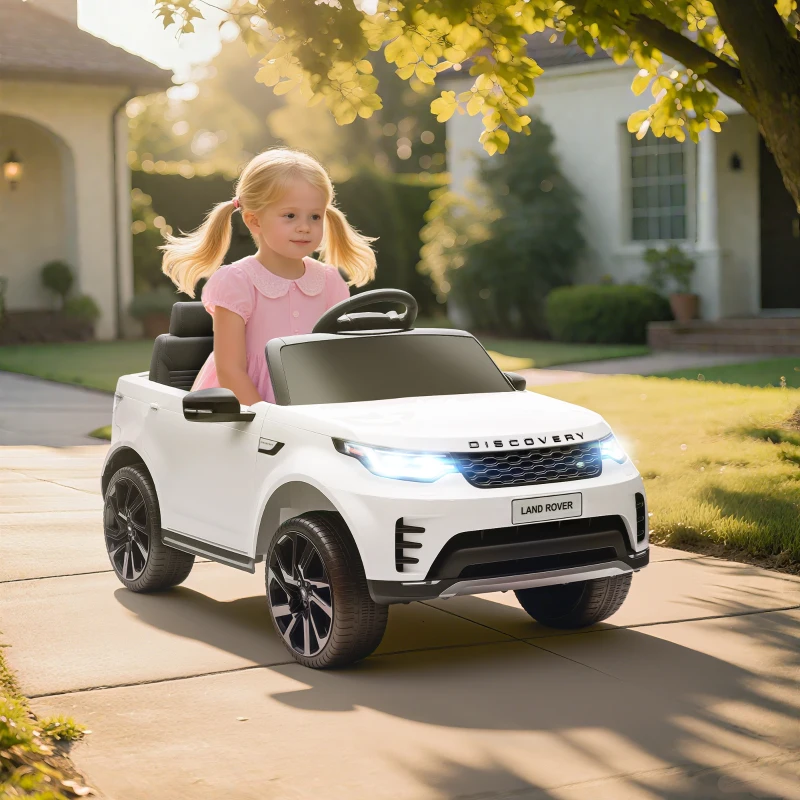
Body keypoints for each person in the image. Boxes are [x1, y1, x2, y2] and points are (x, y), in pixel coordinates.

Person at [160, 148, 377, 405]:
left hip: (314, 407)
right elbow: (230, 371)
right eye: (290, 215)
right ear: (254, 221)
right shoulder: (237, 282)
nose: (305, 227)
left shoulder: (330, 282)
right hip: (245, 409)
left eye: (315, 216)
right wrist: (268, 421)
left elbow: (337, 360)